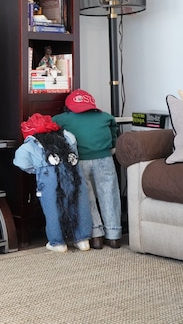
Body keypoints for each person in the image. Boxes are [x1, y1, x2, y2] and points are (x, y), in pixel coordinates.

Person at [13, 113, 93, 253]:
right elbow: (75, 151)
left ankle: (58, 243)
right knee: (79, 203)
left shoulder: (31, 144)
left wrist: (37, 169)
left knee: (53, 208)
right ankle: (82, 240)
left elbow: (21, 162)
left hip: (49, 175)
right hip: (73, 171)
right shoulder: (67, 136)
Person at [52, 89, 122, 249]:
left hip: (80, 160)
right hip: (105, 158)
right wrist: (110, 145)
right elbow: (113, 135)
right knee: (109, 194)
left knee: (86, 197)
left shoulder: (61, 118)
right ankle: (114, 236)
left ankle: (96, 235)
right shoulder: (106, 116)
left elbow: (52, 131)